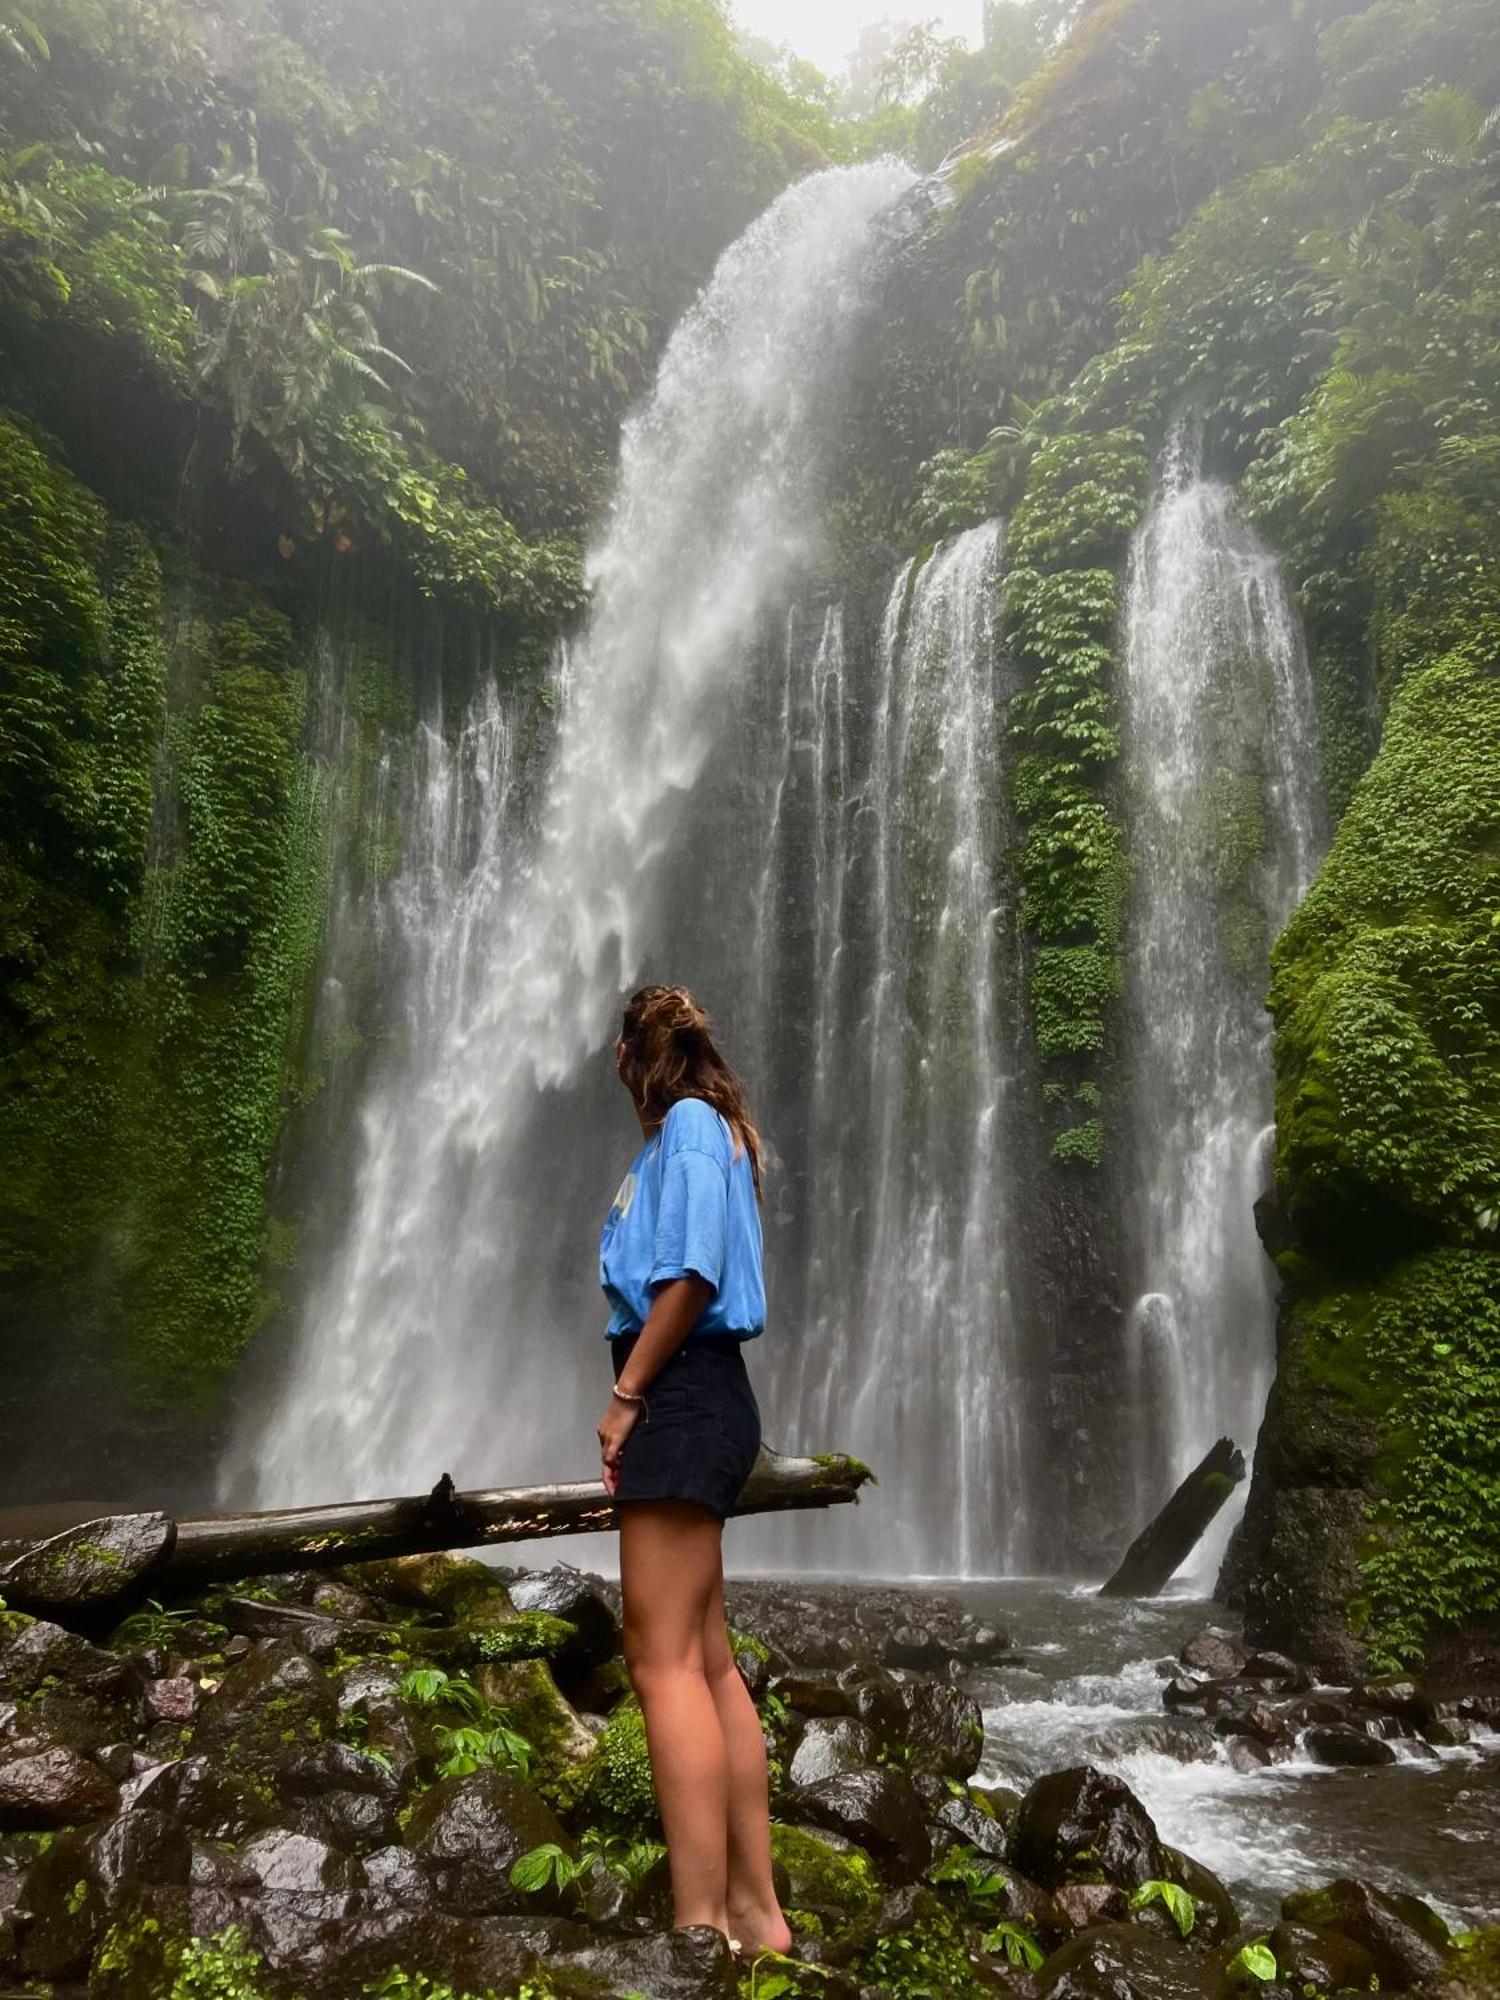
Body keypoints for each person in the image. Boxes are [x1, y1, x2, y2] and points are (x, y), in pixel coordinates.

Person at [595, 984, 791, 1956]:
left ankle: (701, 1927)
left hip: (681, 1389)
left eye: (618, 1058)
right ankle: (754, 1916)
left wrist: (628, 1393)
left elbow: (693, 1277)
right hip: (698, 1394)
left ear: (636, 1055)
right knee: (707, 1663)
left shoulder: (689, 1126)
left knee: (659, 1660)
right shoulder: (709, 1133)